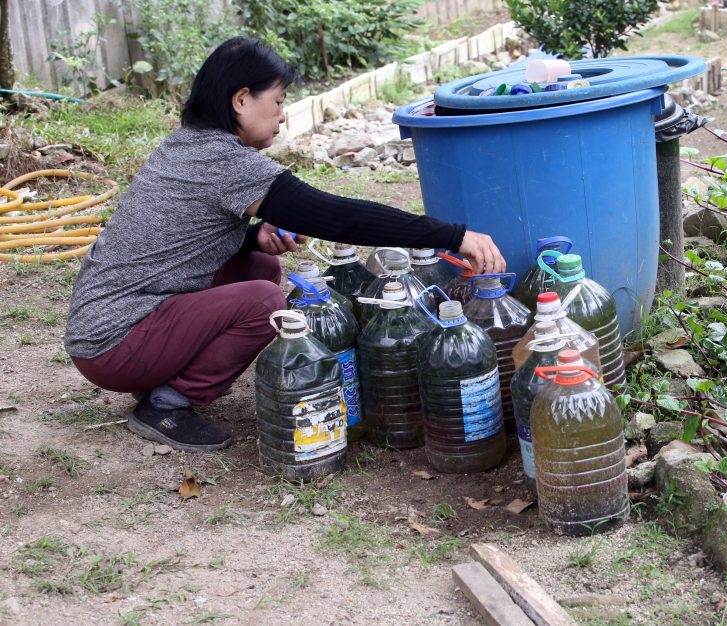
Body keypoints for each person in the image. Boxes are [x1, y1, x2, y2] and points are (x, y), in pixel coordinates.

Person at [64, 38, 505, 453]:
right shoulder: (226, 164)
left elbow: (174, 237)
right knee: (264, 303)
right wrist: (452, 235)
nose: (282, 115)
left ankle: (163, 375)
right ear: (240, 100)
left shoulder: (186, 147)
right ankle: (168, 404)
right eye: (276, 101)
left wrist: (252, 235)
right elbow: (340, 217)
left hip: (109, 324)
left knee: (259, 266)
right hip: (112, 343)